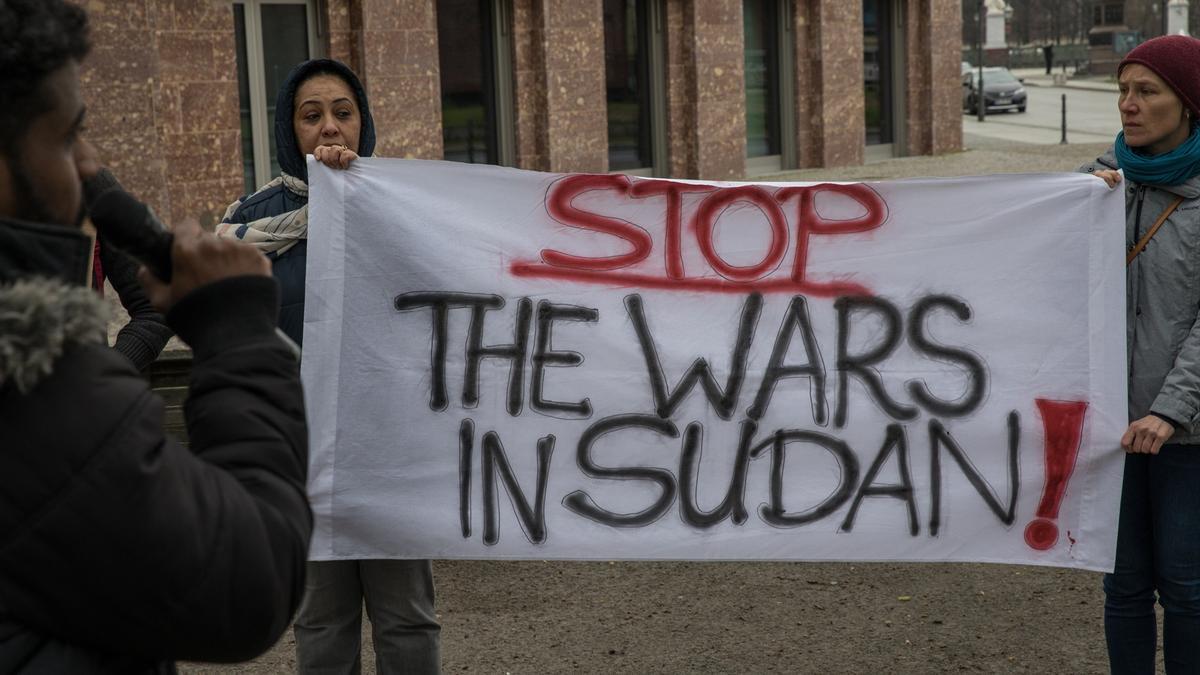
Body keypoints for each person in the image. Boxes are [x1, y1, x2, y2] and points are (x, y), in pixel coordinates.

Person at [0, 0, 312, 670]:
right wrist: (237, 332)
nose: (90, 169)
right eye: (65, 137)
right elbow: (250, 577)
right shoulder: (34, 402)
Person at [217, 58, 441, 674]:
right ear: (291, 130)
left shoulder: (404, 208)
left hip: (388, 452)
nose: (329, 128)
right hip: (303, 458)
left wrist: (358, 198)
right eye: (311, 115)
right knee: (321, 619)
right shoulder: (249, 224)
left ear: (362, 121)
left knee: (408, 619)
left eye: (343, 112)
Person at [1081, 35, 1200, 674]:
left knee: (1186, 590)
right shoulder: (1096, 184)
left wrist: (1171, 410)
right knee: (1122, 587)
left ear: (1187, 103)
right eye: (1122, 90)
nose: (1128, 105)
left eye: (1146, 91)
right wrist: (1079, 212)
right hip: (1112, 430)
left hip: (1186, 435)